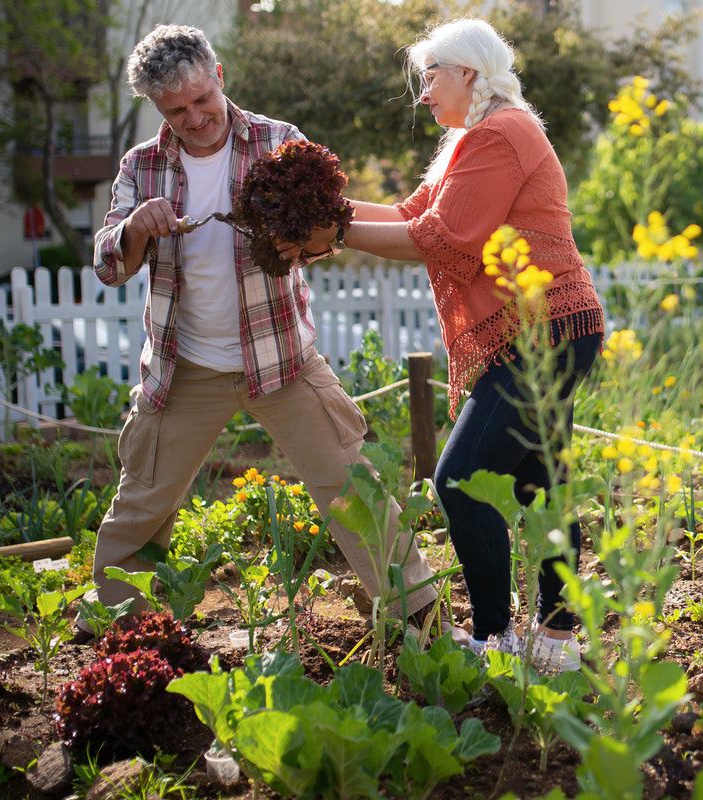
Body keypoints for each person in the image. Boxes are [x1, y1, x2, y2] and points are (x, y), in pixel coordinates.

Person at [84, 24, 437, 636]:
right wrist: (137, 227)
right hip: (185, 366)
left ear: (218, 76)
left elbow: (330, 234)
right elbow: (108, 264)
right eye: (177, 110)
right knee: (141, 502)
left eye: (202, 100)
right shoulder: (141, 167)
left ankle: (424, 622)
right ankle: (121, 635)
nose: (195, 118)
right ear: (157, 109)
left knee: (355, 486)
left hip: (282, 361)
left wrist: (304, 236)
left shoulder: (281, 144)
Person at [289, 18, 603, 672]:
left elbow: (443, 238)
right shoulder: (476, 140)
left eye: (431, 76)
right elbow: (411, 218)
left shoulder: (502, 133)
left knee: (460, 482)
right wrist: (323, 211)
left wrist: (332, 232)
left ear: (468, 72)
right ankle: (559, 640)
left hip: (542, 333)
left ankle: (497, 639)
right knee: (543, 484)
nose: (423, 93)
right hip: (549, 328)